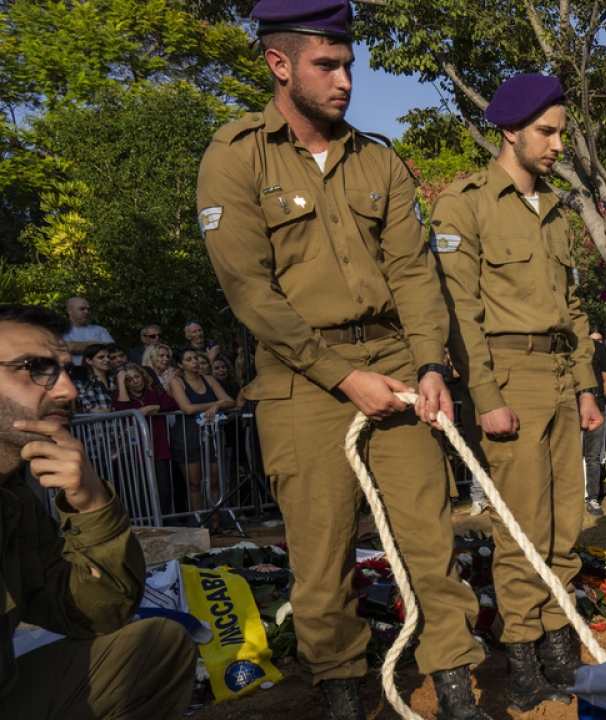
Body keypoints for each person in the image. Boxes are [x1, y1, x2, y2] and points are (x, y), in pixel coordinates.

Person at [197, 3, 490, 716]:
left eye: (348, 64)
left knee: (431, 540)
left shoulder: (377, 158)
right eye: (326, 65)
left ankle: (456, 686)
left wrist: (430, 366)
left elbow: (415, 274)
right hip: (301, 380)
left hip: (395, 363)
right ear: (279, 64)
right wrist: (340, 376)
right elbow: (250, 292)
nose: (345, 80)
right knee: (321, 556)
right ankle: (341, 694)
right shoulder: (234, 157)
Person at [429, 72, 603, 711]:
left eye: (561, 132)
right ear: (509, 131)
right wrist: (487, 393)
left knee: (565, 523)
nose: (559, 145)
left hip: (561, 376)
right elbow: (458, 311)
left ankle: (560, 643)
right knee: (521, 527)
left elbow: (576, 306)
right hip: (508, 376)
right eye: (547, 132)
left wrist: (587, 385)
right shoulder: (465, 202)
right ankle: (522, 653)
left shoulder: (556, 209)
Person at [0, 303, 196, 719]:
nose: (68, 391)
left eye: (66, 369)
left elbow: (94, 612)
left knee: (155, 645)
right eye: (35, 368)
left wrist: (92, 505)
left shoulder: (14, 496)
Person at [167, 347, 234, 533]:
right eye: (189, 359)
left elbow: (230, 401)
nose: (195, 361)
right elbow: (187, 408)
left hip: (211, 435)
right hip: (188, 435)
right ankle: (200, 526)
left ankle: (216, 524)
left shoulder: (210, 379)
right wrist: (215, 406)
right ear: (180, 364)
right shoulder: (176, 382)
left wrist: (216, 406)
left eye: (196, 358)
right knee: (194, 483)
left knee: (214, 481)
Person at [113, 362, 180, 516]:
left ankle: (163, 522)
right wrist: (121, 384)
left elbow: (171, 404)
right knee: (141, 491)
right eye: (129, 379)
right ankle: (146, 523)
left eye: (137, 376)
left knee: (164, 490)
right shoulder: (119, 395)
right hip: (134, 450)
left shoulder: (153, 391)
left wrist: (152, 408)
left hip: (158, 447)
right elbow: (122, 411)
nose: (135, 381)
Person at [583, 326, 606, 516]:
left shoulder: (599, 348)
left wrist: (595, 401)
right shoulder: (570, 348)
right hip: (571, 405)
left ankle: (592, 498)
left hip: (596, 405)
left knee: (593, 456)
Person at [62, 297, 114, 366]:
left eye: (89, 309)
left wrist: (79, 347)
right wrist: (97, 345)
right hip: (74, 374)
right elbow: (67, 347)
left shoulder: (100, 330)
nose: (86, 312)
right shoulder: (61, 329)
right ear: (69, 311)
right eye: (82, 309)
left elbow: (112, 350)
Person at [74, 343, 116, 414]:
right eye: (101, 357)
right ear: (89, 361)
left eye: (108, 357)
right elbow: (92, 411)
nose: (107, 359)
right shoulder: (84, 383)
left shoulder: (116, 379)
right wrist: (117, 410)